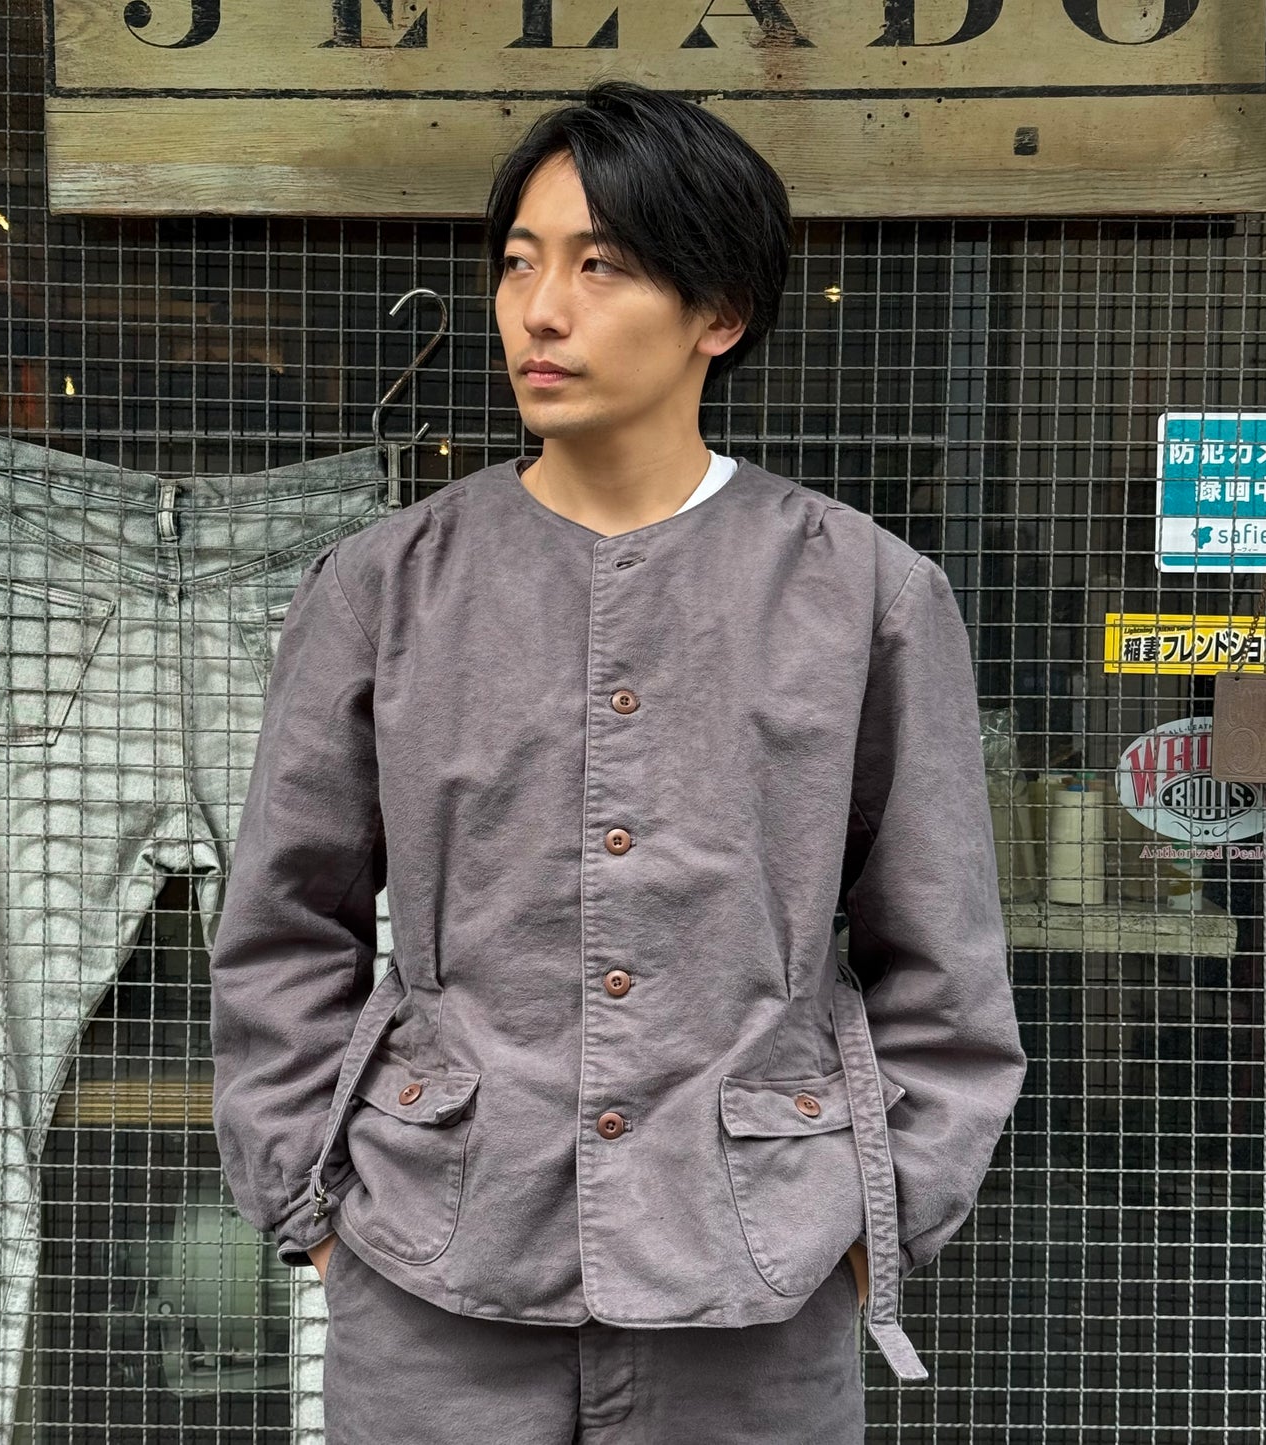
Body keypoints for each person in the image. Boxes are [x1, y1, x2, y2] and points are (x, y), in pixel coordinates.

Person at [208, 77, 1027, 1444]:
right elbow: (283, 928)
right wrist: (318, 1208)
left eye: (601, 267)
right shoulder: (383, 587)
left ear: (721, 312)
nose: (540, 310)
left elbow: (942, 969)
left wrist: (860, 1222)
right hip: (434, 1277)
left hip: (756, 1283)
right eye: (519, 263)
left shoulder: (867, 597)